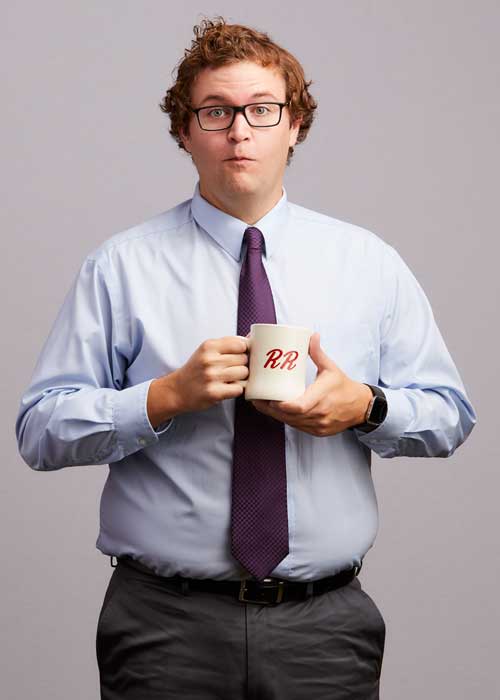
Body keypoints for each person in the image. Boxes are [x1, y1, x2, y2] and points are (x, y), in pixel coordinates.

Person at [15, 16, 476, 700]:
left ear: (294, 126)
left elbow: (450, 416)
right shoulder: (120, 267)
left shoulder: (368, 264)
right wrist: (162, 397)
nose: (240, 131)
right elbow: (39, 432)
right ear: (183, 131)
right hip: (162, 625)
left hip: (325, 628)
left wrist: (367, 407)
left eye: (262, 110)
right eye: (216, 112)